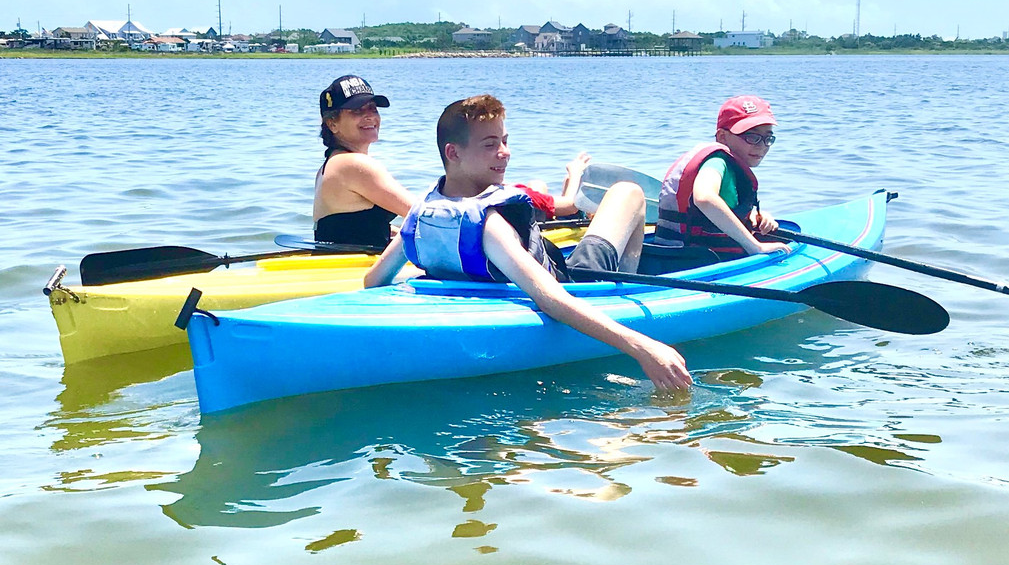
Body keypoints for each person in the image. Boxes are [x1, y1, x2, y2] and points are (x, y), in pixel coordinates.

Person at [364, 94, 692, 392]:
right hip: (580, 285)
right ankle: (619, 292)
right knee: (628, 192)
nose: (505, 153)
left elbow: (374, 281)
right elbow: (551, 299)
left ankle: (618, 283)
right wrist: (643, 347)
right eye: (490, 144)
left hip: (513, 282)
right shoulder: (491, 225)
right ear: (453, 152)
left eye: (505, 141)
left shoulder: (420, 214)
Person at [648, 94, 790, 272]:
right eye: (752, 137)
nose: (761, 146)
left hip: (686, 258)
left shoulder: (731, 168)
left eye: (768, 138)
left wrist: (752, 214)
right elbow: (705, 198)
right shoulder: (717, 162)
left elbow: (724, 203)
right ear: (722, 137)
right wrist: (755, 246)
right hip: (693, 263)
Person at [313, 75, 414, 247]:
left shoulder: (330, 164)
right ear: (332, 124)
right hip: (351, 268)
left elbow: (350, 227)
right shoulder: (352, 165)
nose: (369, 116)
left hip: (340, 262)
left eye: (373, 109)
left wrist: (396, 233)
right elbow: (421, 214)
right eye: (357, 111)